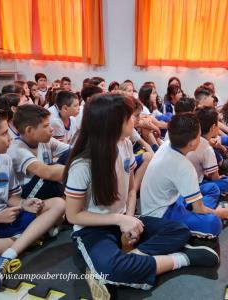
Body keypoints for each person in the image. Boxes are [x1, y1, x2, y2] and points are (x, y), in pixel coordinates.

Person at [64, 93, 218, 296]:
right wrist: (120, 219)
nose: (136, 120)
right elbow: (73, 215)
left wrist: (127, 216)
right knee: (112, 268)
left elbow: (130, 189)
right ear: (113, 123)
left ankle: (129, 258)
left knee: (178, 229)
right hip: (92, 230)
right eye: (131, 117)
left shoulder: (125, 144)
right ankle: (182, 259)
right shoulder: (82, 165)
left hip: (123, 218)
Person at [0, 107, 65, 291]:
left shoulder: (4, 159)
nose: (10, 138)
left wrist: (24, 204)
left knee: (58, 204)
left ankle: (5, 256)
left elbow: (10, 197)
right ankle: (29, 237)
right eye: (4, 133)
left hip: (8, 216)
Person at [140, 113, 228, 238]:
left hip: (172, 199)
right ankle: (196, 217)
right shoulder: (184, 166)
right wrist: (217, 213)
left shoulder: (167, 145)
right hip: (161, 214)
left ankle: (194, 213)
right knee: (213, 223)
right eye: (200, 135)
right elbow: (199, 208)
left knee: (212, 188)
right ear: (193, 142)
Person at [7, 105, 70, 200]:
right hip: (28, 194)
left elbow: (74, 151)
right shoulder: (17, 149)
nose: (51, 129)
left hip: (44, 185)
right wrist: (80, 170)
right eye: (46, 126)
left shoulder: (46, 140)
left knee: (71, 154)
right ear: (29, 130)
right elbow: (47, 173)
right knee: (47, 175)